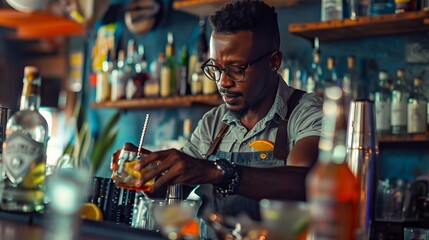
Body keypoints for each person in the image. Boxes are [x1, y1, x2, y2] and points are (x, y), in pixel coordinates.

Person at [133, 0, 323, 223]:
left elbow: (305, 183)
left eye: (235, 69)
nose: (223, 82)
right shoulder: (213, 123)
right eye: (215, 68)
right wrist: (145, 174)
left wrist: (217, 172)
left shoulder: (307, 112)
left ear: (274, 62)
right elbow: (173, 190)